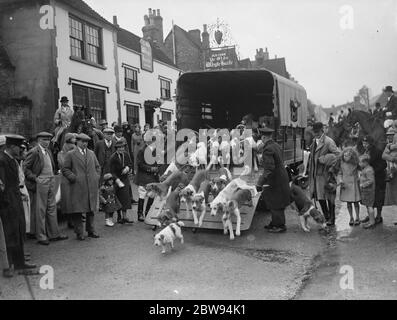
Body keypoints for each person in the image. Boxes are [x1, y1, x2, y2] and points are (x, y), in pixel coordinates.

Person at [0, 135, 37, 276]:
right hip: (7, 204)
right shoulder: (2, 161)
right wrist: (6, 201)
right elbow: (2, 185)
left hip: (15, 200)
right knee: (10, 235)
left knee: (18, 231)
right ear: (10, 147)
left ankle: (20, 264)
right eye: (17, 147)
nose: (20, 150)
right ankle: (9, 265)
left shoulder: (11, 160)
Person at [23, 132, 68, 245]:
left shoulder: (48, 151)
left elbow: (51, 165)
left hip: (51, 180)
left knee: (52, 208)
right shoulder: (33, 152)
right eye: (44, 140)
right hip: (41, 182)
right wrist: (35, 178)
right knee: (41, 210)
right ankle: (41, 236)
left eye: (48, 140)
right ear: (39, 140)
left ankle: (54, 234)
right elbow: (25, 168)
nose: (47, 142)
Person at [61, 133, 101, 240]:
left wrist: (96, 177)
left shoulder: (91, 153)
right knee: (78, 210)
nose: (84, 144)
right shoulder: (71, 154)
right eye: (82, 141)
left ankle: (91, 230)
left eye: (86, 142)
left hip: (91, 185)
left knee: (90, 209)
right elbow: (65, 169)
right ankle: (79, 232)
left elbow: (97, 167)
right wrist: (73, 177)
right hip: (78, 186)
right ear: (77, 142)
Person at [256, 127, 290, 233]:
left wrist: (260, 183)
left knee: (275, 202)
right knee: (277, 201)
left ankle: (280, 226)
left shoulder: (268, 149)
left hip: (275, 179)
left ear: (264, 137)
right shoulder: (276, 145)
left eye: (262, 137)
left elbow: (269, 168)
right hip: (281, 177)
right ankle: (275, 223)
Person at [307, 122, 340, 225]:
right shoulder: (314, 141)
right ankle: (326, 217)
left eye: (317, 131)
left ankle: (332, 218)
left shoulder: (328, 141)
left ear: (322, 130)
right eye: (314, 132)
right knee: (320, 197)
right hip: (316, 175)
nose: (316, 133)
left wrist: (325, 159)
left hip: (327, 174)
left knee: (330, 197)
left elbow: (338, 155)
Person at [361, 135, 387, 224]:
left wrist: (373, 171)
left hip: (378, 178)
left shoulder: (377, 151)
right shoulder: (365, 151)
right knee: (368, 197)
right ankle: (370, 215)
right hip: (368, 178)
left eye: (366, 143)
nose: (364, 145)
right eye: (363, 143)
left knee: (379, 198)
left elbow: (384, 164)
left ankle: (379, 216)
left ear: (371, 143)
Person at [109, 138, 133, 224]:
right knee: (118, 198)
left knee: (125, 198)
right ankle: (119, 217)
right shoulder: (113, 157)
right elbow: (112, 171)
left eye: (122, 147)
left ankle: (125, 216)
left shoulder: (125, 154)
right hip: (117, 179)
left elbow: (130, 163)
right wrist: (117, 180)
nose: (121, 149)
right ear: (116, 148)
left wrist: (128, 168)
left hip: (125, 178)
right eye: (119, 147)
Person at [135, 137, 159, 222]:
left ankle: (148, 212)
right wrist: (150, 169)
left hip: (153, 176)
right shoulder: (142, 150)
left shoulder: (155, 150)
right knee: (142, 195)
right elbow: (139, 164)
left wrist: (157, 169)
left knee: (152, 195)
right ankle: (140, 214)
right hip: (143, 176)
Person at [337, 147, 361, 226]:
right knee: (349, 203)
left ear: (352, 156)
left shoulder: (356, 163)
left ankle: (357, 217)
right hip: (345, 184)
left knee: (356, 202)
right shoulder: (342, 163)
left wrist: (359, 176)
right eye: (344, 155)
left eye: (347, 155)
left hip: (354, 184)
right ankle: (351, 217)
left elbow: (360, 170)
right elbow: (340, 173)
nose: (345, 157)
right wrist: (340, 180)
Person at [57, 133, 77, 229]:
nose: (75, 139)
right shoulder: (72, 148)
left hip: (65, 176)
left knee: (68, 199)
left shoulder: (62, 150)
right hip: (70, 175)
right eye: (73, 138)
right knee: (72, 199)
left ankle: (71, 219)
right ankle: (73, 219)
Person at [358, 154, 376, 229]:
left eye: (360, 162)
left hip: (369, 191)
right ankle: (371, 220)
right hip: (366, 191)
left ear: (365, 162)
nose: (359, 164)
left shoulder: (368, 170)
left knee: (370, 206)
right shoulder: (365, 169)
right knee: (368, 206)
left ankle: (372, 222)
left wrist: (363, 185)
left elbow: (371, 180)